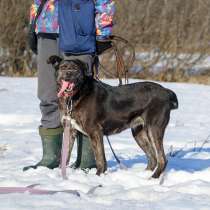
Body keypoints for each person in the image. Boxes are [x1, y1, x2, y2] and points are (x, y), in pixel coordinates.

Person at [23, 0, 115, 171]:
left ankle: (87, 159)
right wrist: (33, 25)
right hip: (47, 29)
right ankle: (51, 157)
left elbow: (104, 2)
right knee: (48, 95)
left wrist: (103, 34)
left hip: (79, 30)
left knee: (86, 97)